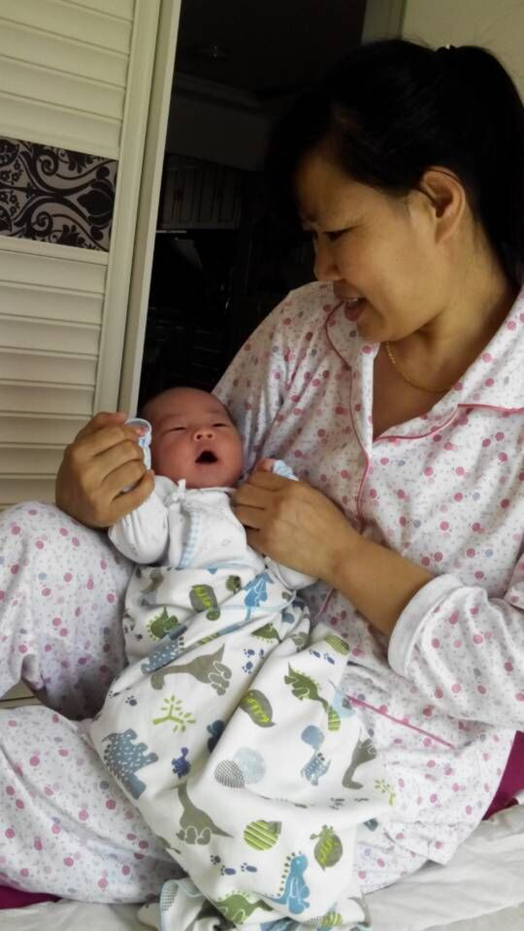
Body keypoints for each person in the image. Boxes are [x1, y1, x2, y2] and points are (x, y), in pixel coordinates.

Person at [0, 35, 523, 912]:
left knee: (14, 771)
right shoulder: (308, 328)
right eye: (312, 239)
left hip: (346, 750)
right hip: (199, 630)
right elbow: (197, 483)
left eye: (338, 234)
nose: (321, 269)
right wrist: (102, 493)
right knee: (25, 542)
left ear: (439, 201)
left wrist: (344, 556)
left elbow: (515, 673)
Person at [92, 385, 391, 929]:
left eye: (217, 424)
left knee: (292, 745)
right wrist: (134, 468)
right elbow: (136, 537)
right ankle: (242, 861)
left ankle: (289, 855)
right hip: (190, 656)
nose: (202, 432)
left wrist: (284, 492)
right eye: (177, 430)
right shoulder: (168, 506)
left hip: (263, 643)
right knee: (163, 742)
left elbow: (295, 575)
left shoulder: (250, 504)